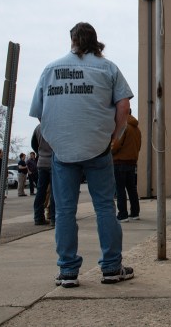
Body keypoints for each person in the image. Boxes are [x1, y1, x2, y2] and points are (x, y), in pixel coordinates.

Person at [29, 22, 136, 287]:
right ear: (95, 41)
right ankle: (111, 267)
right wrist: (114, 134)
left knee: (64, 210)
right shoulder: (108, 68)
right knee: (104, 206)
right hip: (98, 147)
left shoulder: (51, 69)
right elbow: (124, 105)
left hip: (62, 150)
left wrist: (57, 137)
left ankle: (67, 271)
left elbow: (40, 112)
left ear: (72, 41)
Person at [112, 114, 142, 221]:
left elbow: (115, 145)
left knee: (120, 189)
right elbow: (139, 146)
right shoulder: (137, 129)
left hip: (119, 161)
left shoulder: (123, 127)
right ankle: (135, 213)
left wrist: (109, 151)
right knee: (132, 188)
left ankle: (122, 214)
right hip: (132, 162)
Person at [31, 125, 56, 226]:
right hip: (54, 161)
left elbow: (33, 144)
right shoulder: (55, 124)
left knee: (41, 191)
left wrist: (40, 153)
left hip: (41, 162)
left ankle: (38, 217)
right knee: (55, 192)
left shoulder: (38, 128)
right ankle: (54, 217)